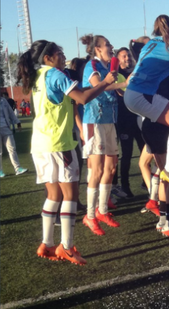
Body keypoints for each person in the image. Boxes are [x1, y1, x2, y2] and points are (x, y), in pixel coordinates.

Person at [16, 40, 116, 265]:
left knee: (54, 195)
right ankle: (67, 247)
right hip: (59, 143)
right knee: (70, 196)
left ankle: (47, 242)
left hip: (40, 144)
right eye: (60, 53)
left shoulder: (37, 77)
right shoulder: (55, 75)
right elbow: (82, 98)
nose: (63, 56)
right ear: (48, 58)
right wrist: (106, 82)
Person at [124, 15, 169, 240]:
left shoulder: (150, 45)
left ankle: (165, 222)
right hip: (149, 103)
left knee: (166, 175)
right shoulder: (168, 47)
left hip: (146, 112)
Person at [80, 34, 126, 236]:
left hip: (110, 120)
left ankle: (102, 210)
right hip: (95, 121)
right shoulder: (92, 67)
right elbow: (99, 85)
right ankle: (89, 216)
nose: (111, 47)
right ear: (97, 49)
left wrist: (125, 86)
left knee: (112, 166)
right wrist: (120, 84)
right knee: (96, 170)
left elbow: (116, 88)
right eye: (107, 45)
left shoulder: (110, 68)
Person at [114, 47, 145, 198]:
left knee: (146, 150)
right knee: (126, 154)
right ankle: (125, 186)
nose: (127, 58)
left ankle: (146, 182)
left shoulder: (136, 72)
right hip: (124, 120)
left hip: (139, 117)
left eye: (129, 56)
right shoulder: (117, 75)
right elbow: (121, 93)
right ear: (118, 59)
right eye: (124, 56)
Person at [0, 93, 28, 177]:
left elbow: (11, 113)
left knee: (12, 148)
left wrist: (18, 122)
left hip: (6, 127)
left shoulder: (3, 101)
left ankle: (17, 168)